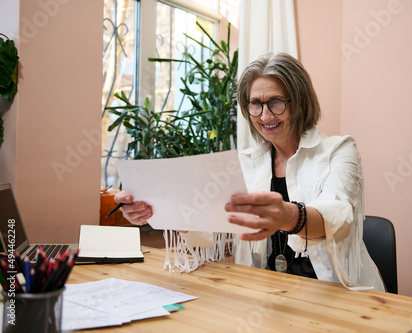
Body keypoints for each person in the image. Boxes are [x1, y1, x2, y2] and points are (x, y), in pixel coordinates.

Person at [115, 52, 385, 291]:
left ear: (300, 101)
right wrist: (161, 210)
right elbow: (216, 232)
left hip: (338, 294)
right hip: (269, 294)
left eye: (276, 102)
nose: (265, 116)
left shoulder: (340, 149)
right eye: (255, 104)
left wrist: (287, 215)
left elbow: (338, 218)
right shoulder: (245, 162)